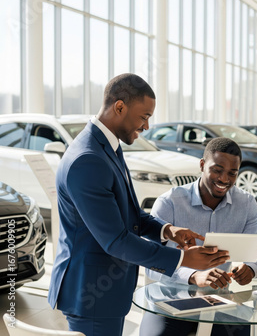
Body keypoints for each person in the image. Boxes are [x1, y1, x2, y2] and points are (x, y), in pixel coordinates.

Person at [48, 73, 229, 336]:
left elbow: (130, 215)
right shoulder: (88, 159)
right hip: (91, 294)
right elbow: (115, 240)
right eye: (144, 116)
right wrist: (182, 259)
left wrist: (168, 231)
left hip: (105, 293)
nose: (146, 126)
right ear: (119, 107)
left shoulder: (107, 147)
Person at [140, 137, 257, 336]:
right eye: (217, 170)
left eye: (232, 173)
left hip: (221, 303)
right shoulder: (170, 202)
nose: (224, 179)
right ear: (202, 165)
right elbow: (153, 263)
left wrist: (250, 269)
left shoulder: (246, 204)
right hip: (171, 300)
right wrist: (193, 276)